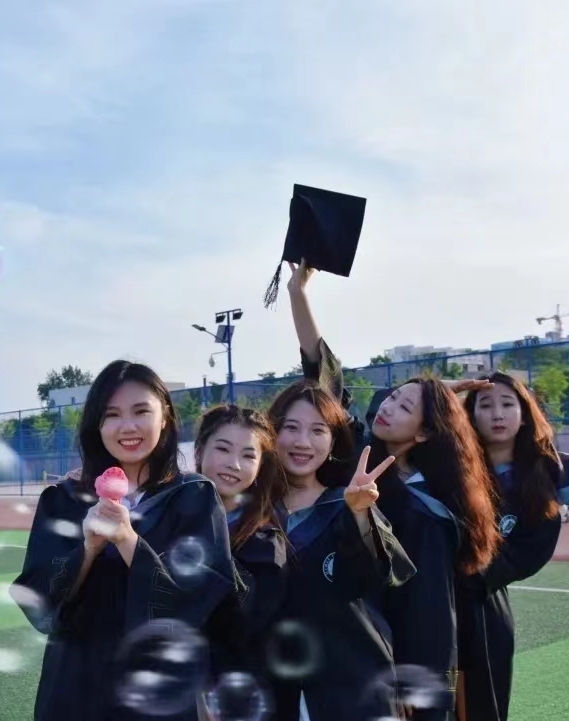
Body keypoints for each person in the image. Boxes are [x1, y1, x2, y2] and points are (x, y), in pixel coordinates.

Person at [287, 261, 500, 720]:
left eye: (405, 408)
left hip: (378, 664)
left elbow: (429, 615)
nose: (388, 407)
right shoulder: (351, 456)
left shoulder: (426, 512)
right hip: (329, 658)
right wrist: (297, 293)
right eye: (392, 397)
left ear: (424, 433)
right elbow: (325, 380)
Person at [12, 360, 237, 721]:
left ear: (164, 417)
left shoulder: (195, 497)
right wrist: (88, 550)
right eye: (112, 414)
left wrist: (129, 542)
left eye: (141, 411)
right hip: (79, 685)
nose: (128, 426)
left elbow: (204, 600)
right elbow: (38, 598)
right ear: (97, 425)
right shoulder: (63, 499)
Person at [266, 380, 415, 721]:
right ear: (272, 433)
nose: (303, 442)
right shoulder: (252, 513)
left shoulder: (346, 504)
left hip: (351, 686)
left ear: (333, 441)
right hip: (276, 689)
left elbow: (382, 575)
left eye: (318, 430)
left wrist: (360, 514)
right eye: (291, 427)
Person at [460, 372, 569, 721]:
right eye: (486, 405)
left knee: (482, 708)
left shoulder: (543, 477)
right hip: (426, 606)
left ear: (525, 414)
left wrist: (467, 572)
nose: (497, 414)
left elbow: (530, 553)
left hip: (482, 609)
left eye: (507, 404)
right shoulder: (449, 468)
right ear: (470, 415)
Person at [195, 406, 290, 702]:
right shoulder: (171, 518)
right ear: (199, 451)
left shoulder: (265, 545)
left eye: (248, 456)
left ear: (261, 466)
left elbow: (243, 629)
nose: (234, 464)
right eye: (223, 449)